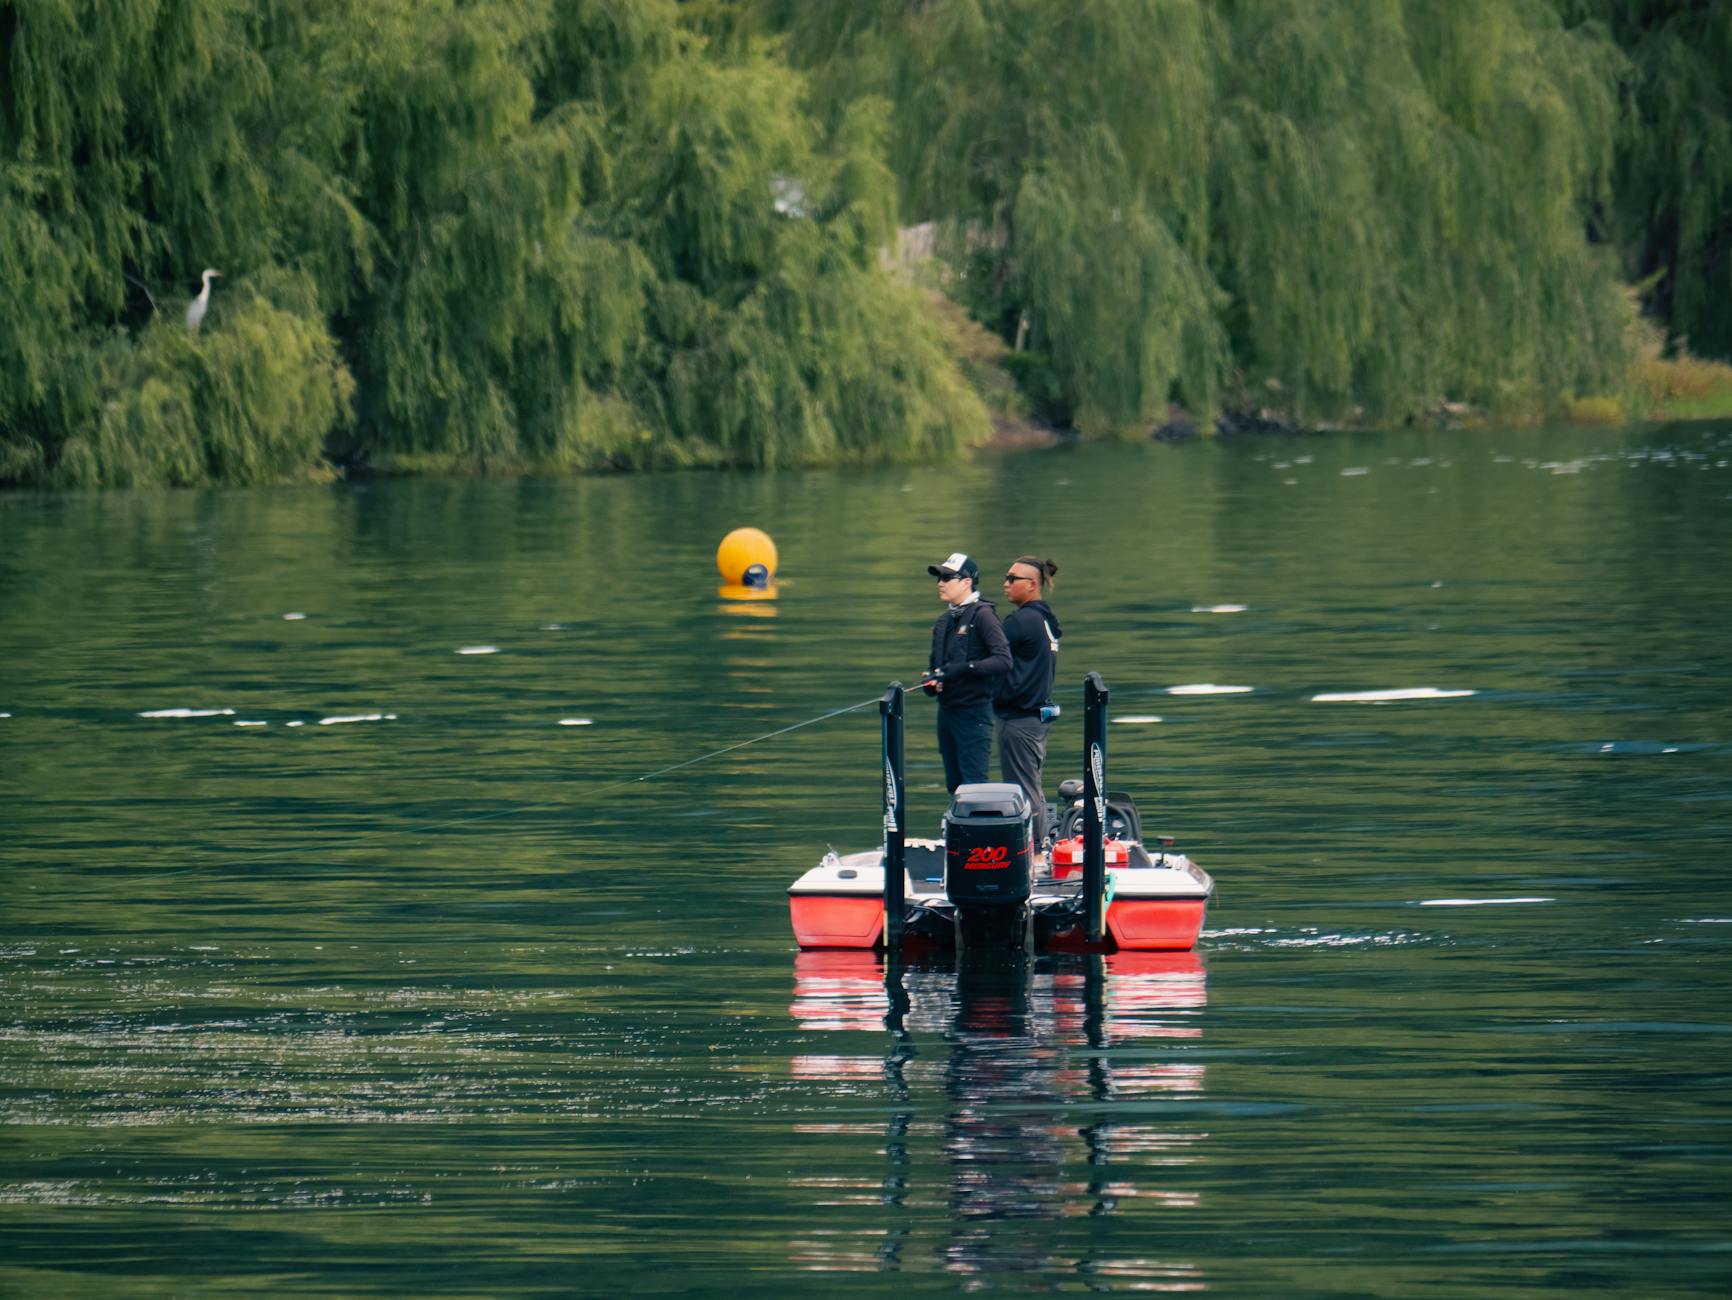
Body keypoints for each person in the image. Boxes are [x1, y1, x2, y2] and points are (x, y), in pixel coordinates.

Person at [922, 552, 1012, 793]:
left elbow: (1003, 661)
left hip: (973, 713)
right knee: (955, 785)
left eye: (947, 577)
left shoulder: (983, 615)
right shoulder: (943, 621)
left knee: (974, 785)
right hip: (947, 712)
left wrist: (965, 668)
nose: (940, 583)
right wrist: (932, 681)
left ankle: (979, 829)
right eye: (939, 578)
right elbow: (936, 668)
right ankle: (958, 830)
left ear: (966, 582)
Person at [995, 556, 1062, 848]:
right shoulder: (1044, 618)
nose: (1006, 584)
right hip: (1033, 719)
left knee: (1023, 790)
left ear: (1032, 584)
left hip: (1019, 719)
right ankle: (1040, 844)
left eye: (1013, 579)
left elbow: (987, 651)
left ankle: (1034, 852)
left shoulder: (1022, 620)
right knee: (1030, 786)